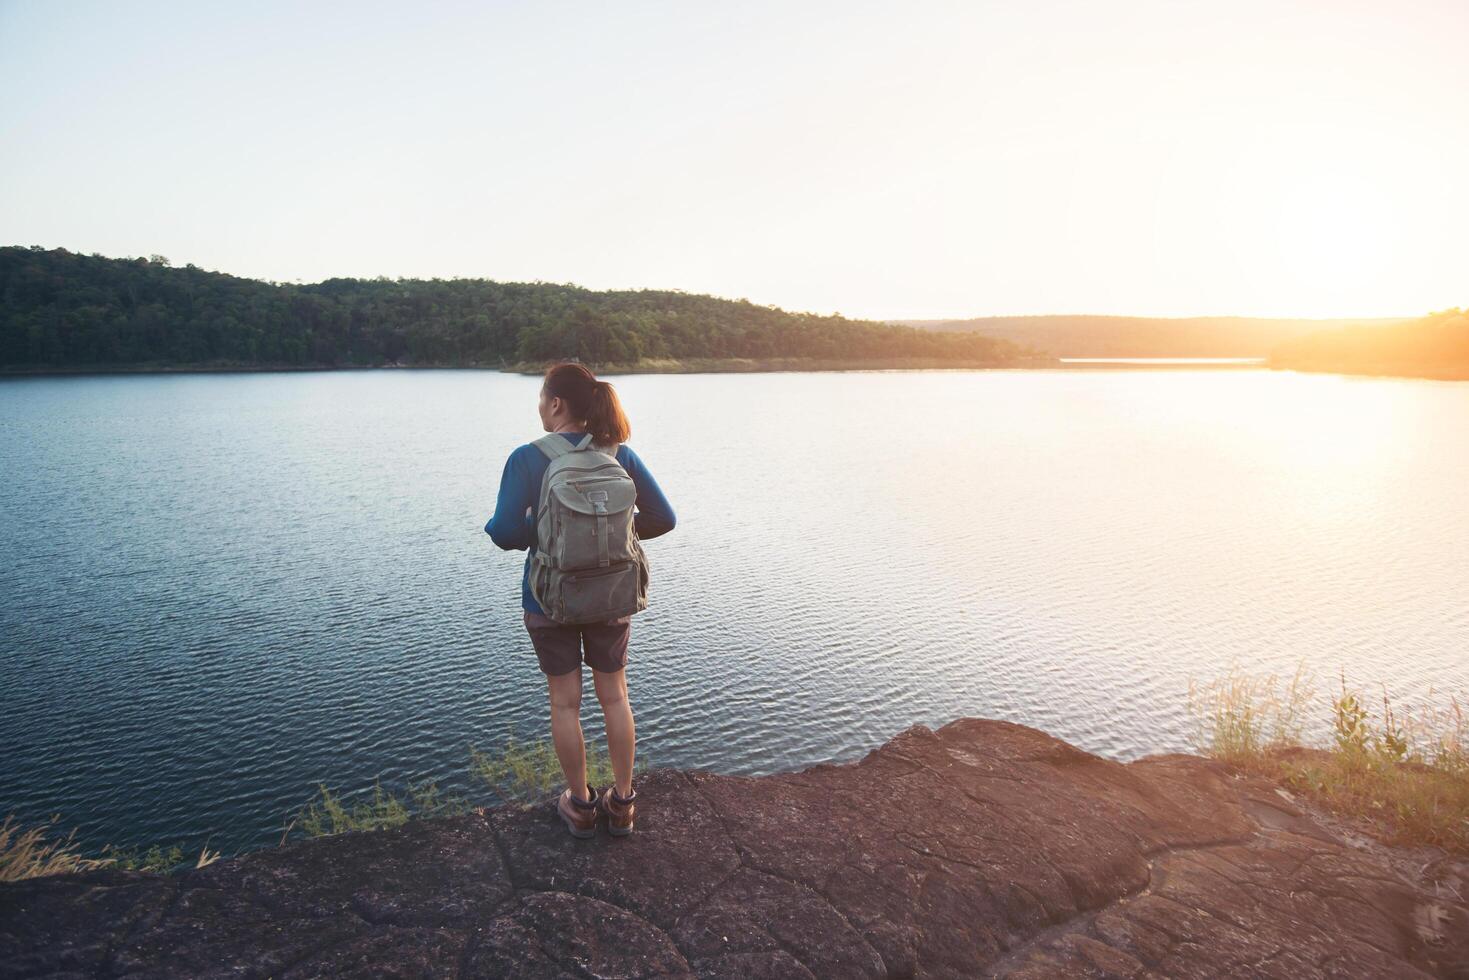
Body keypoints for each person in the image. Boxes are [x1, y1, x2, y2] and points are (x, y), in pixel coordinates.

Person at [484, 362, 676, 838]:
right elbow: (663, 518)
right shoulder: (620, 455)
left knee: (565, 704)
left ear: (555, 403)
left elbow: (505, 532)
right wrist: (612, 535)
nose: (540, 410)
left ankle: (581, 804)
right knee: (616, 697)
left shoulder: (527, 458)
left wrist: (539, 529)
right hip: (612, 595)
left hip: (549, 599)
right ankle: (625, 802)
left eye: (541, 401)